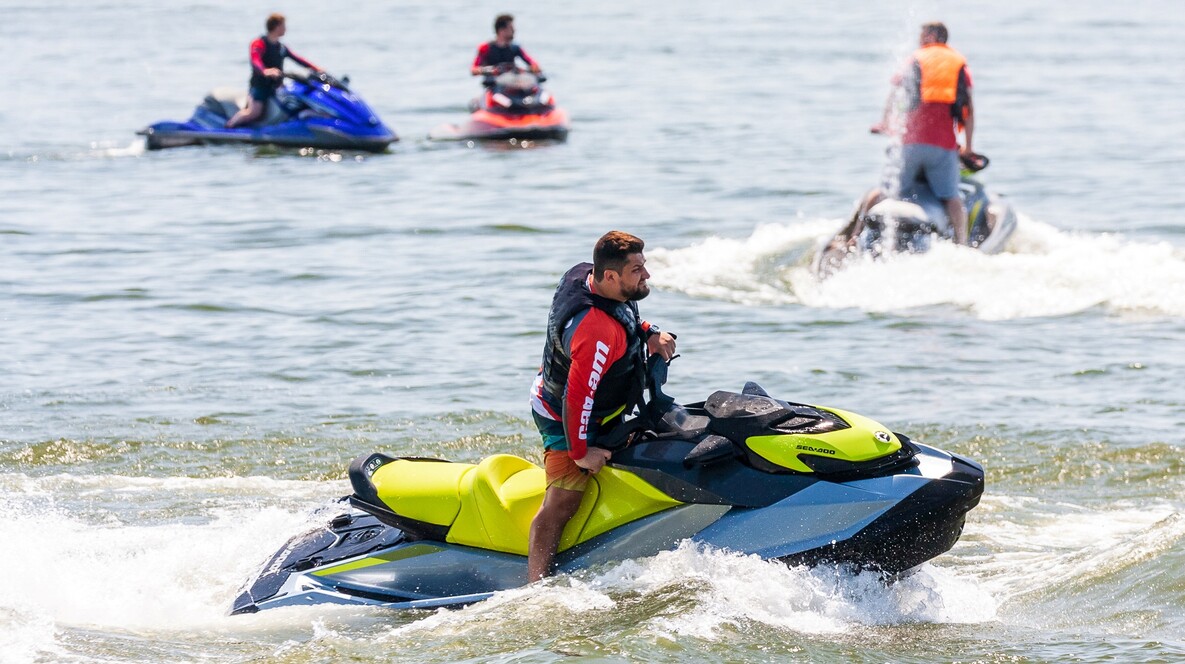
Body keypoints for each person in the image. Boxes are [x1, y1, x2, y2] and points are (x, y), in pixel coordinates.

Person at [527, 231, 677, 582]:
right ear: (611, 276)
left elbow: (621, 313)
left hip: (588, 402)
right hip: (562, 413)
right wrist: (580, 453)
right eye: (638, 269)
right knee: (563, 502)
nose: (647, 275)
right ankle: (535, 585)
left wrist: (649, 331)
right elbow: (576, 400)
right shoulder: (594, 334)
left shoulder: (585, 274)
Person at [871, 22, 975, 245]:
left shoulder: (915, 58)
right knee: (951, 198)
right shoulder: (958, 64)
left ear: (929, 36)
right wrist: (968, 146)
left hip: (909, 144)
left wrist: (885, 123)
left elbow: (895, 93)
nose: (919, 39)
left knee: (884, 191)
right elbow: (968, 111)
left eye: (921, 34)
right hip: (943, 146)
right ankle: (962, 242)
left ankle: (852, 234)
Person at [226, 13, 321, 128]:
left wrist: (317, 69)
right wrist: (265, 71)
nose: (285, 29)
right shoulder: (259, 43)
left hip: (277, 86)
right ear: (277, 27)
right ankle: (229, 126)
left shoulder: (281, 47)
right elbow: (255, 60)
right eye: (283, 25)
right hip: (260, 86)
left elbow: (298, 59)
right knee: (254, 112)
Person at [471, 14, 542, 76]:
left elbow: (531, 62)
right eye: (511, 28)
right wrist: (490, 71)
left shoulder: (515, 48)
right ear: (501, 30)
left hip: (512, 84)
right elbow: (474, 70)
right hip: (494, 85)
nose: (514, 31)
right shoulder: (485, 48)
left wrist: (534, 68)